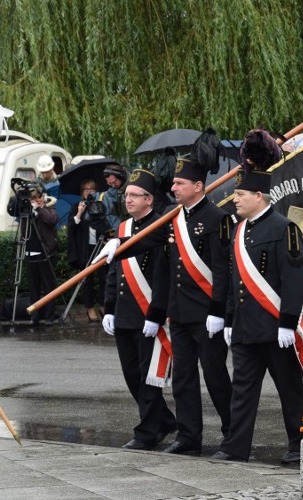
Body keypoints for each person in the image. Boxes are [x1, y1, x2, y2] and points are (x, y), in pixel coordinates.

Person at [95, 131, 233, 456]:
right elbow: (148, 241)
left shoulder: (217, 218)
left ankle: (233, 435)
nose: (172, 188)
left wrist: (219, 311)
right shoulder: (174, 219)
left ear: (198, 186)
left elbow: (223, 269)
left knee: (215, 378)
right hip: (181, 314)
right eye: (173, 185)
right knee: (183, 379)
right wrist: (120, 246)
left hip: (207, 314)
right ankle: (188, 436)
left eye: (179, 184)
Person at [212, 130, 303, 464]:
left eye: (240, 194)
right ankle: (235, 446)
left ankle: (299, 446)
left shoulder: (284, 228)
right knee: (242, 391)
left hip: (274, 328)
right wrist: (227, 319)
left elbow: (296, 279)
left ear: (259, 195)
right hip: (244, 328)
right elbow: (231, 280)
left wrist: (287, 323)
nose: (235, 199)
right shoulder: (238, 231)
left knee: (289, 388)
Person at [101, 169, 177, 450]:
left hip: (148, 314)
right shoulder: (122, 229)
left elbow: (162, 275)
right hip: (124, 314)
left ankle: (147, 432)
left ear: (149, 199)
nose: (128, 200)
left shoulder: (159, 227)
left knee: (149, 377)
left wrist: (156, 313)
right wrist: (109, 308)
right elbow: (114, 273)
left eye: (134, 195)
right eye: (126, 195)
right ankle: (165, 420)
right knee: (132, 375)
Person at [67, 179, 102, 322]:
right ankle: (90, 309)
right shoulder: (76, 206)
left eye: (91, 189)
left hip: (100, 246)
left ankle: (104, 305)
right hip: (85, 248)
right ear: (82, 192)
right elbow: (71, 227)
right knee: (87, 280)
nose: (88, 192)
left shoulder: (100, 205)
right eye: (86, 190)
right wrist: (79, 213)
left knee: (104, 278)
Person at [23, 186, 59, 325]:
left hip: (46, 253)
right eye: (33, 198)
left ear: (42, 197)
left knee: (48, 286)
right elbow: (24, 230)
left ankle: (49, 316)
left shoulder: (50, 209)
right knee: (33, 287)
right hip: (30, 252)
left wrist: (38, 209)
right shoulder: (27, 211)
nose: (36, 200)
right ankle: (35, 316)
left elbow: (51, 220)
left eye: (38, 197)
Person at [100, 164, 128, 233]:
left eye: (114, 182)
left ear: (122, 177)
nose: (113, 185)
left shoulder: (133, 186)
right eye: (109, 183)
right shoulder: (115, 191)